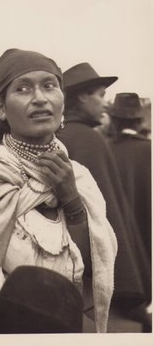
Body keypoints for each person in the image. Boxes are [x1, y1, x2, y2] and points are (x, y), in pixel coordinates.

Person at [0, 49, 117, 333]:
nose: (39, 98)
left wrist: (71, 199)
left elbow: (96, 271)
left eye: (49, 86)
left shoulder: (79, 177)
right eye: (23, 88)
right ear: (2, 109)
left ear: (62, 102)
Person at [57, 63, 151, 331]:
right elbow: (110, 215)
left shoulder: (62, 135)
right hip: (99, 273)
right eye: (99, 95)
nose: (104, 103)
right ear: (82, 97)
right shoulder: (88, 138)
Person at [108, 93, 151, 262]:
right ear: (139, 121)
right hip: (147, 226)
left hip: (118, 233)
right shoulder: (149, 150)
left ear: (114, 120)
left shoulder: (105, 148)